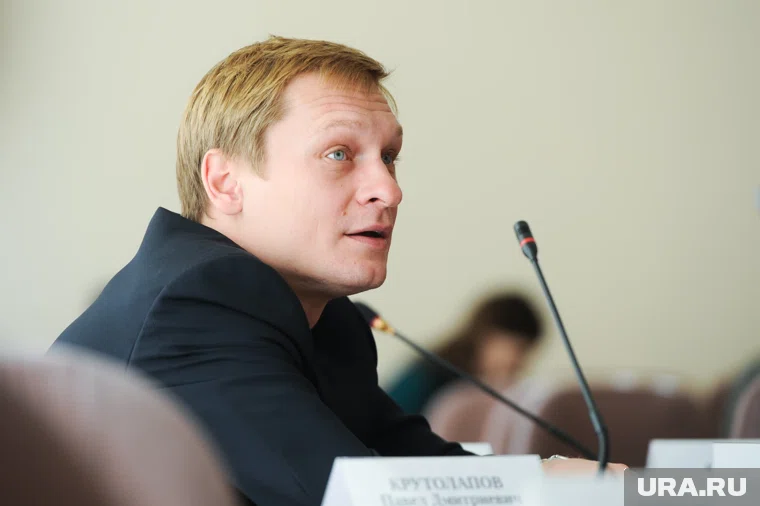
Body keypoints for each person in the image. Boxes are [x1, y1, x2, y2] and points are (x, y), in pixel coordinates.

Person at [51, 36, 626, 506]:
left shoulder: (324, 317)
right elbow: (354, 496)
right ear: (226, 183)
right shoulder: (199, 301)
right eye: (339, 154)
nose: (389, 190)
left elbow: (413, 466)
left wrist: (576, 480)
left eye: (389, 157)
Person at [387, 292, 543, 415]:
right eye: (517, 348)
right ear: (487, 337)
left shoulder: (486, 386)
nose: (518, 361)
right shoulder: (428, 377)